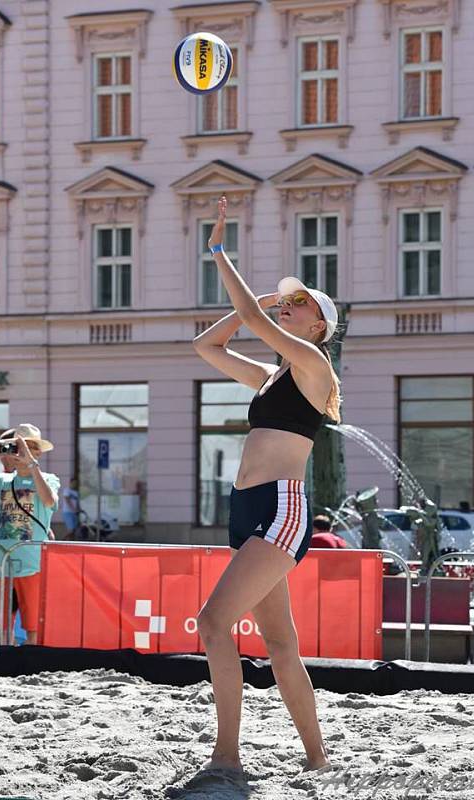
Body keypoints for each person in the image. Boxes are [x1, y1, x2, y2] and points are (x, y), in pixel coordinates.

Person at [193, 196, 340, 775]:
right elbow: (207, 347)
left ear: (319, 325)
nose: (289, 306)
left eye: (299, 302)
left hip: (282, 506)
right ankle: (318, 761)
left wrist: (220, 253)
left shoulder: (313, 365)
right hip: (248, 507)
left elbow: (254, 324)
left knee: (211, 623)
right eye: (288, 300)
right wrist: (257, 302)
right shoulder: (272, 375)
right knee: (280, 645)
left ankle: (226, 757)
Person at [0, 423, 60, 645]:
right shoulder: (0, 482)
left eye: (30, 446)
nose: (23, 451)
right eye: (18, 447)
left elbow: (49, 500)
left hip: (32, 564)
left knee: (33, 626)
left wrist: (32, 466)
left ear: (39, 452)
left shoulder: (48, 479)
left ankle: (29, 662)